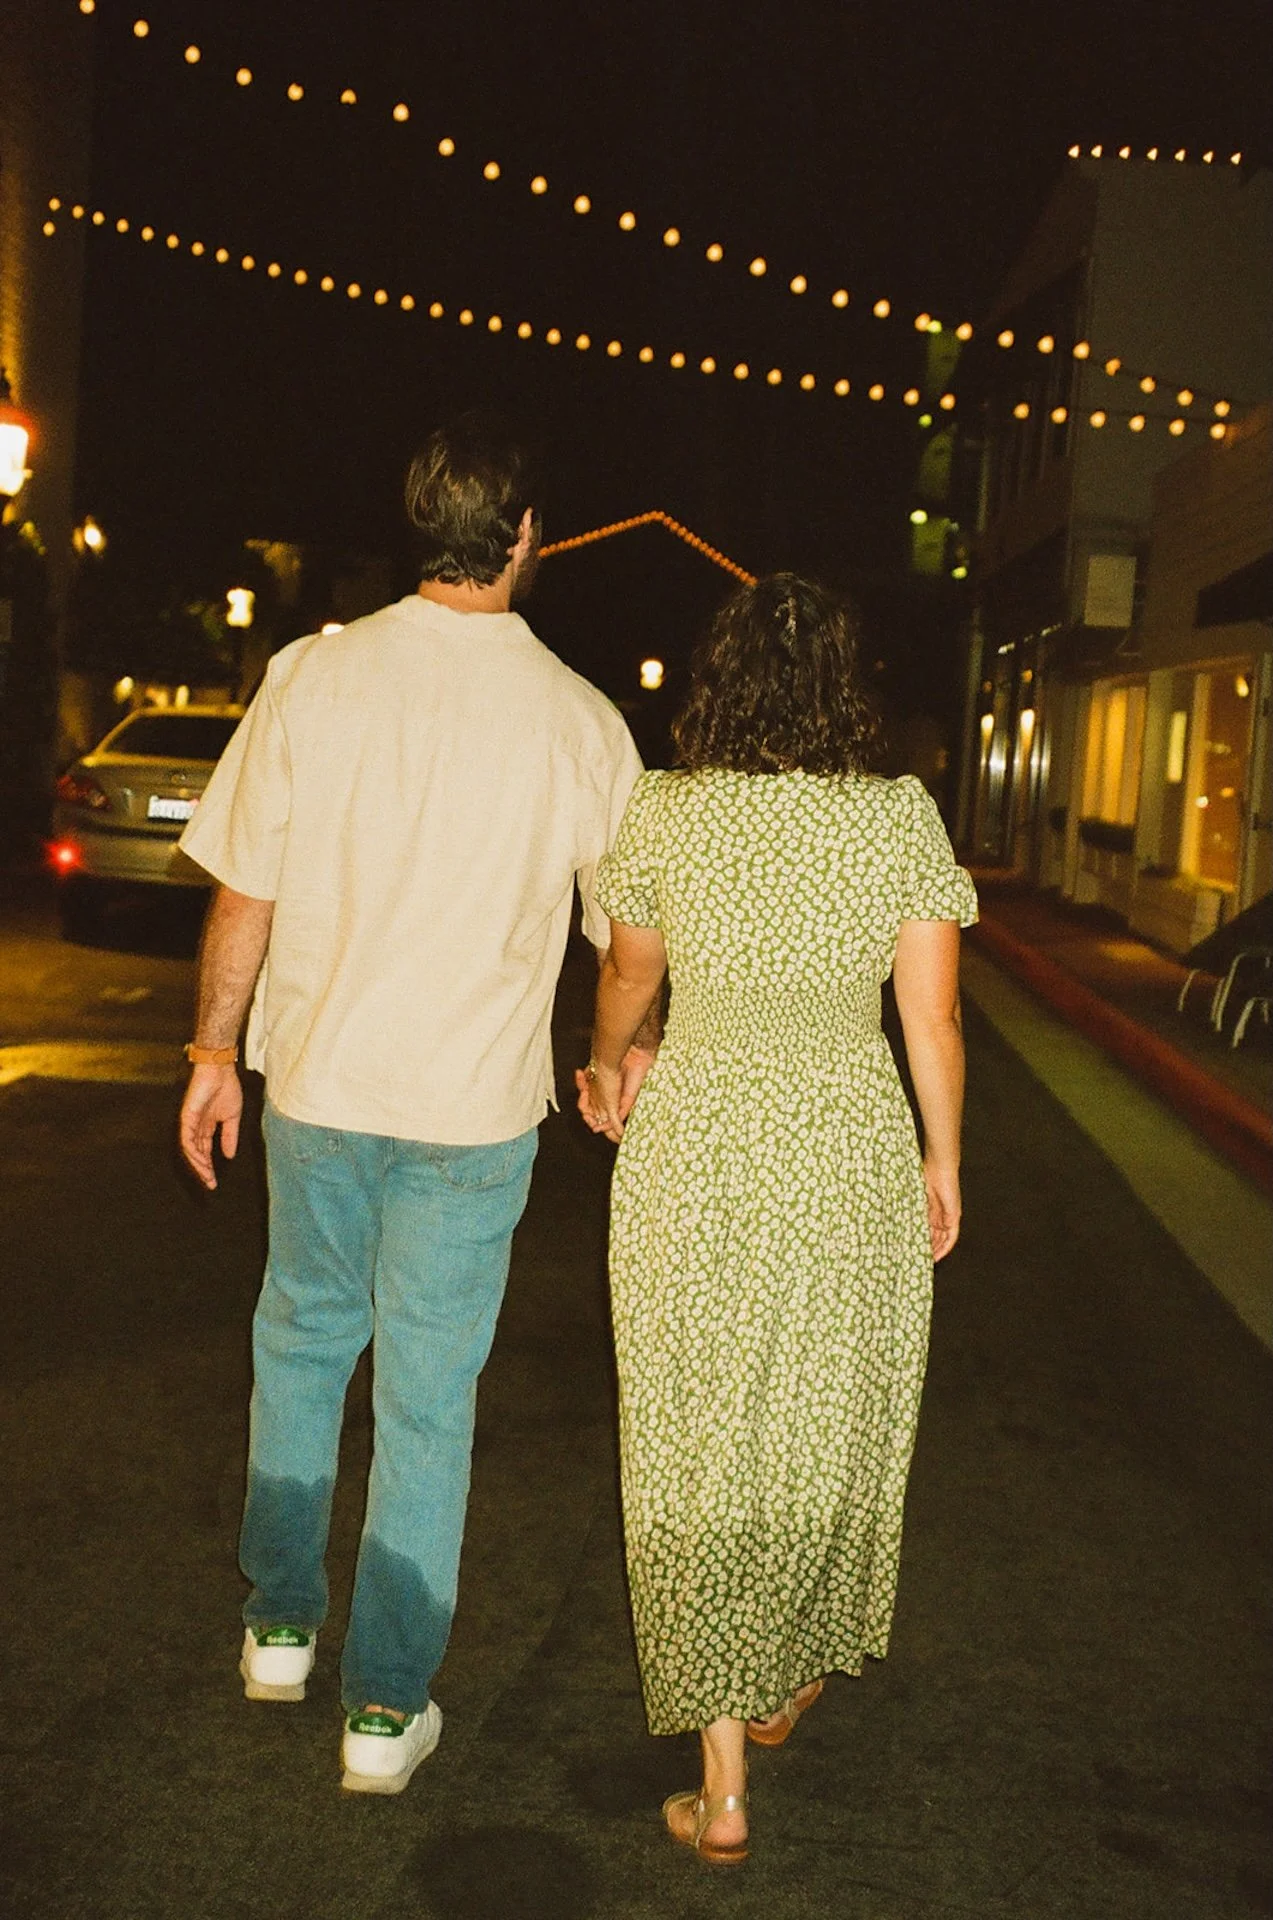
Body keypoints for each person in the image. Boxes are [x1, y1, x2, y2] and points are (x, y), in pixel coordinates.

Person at [177, 412, 650, 1796]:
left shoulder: (313, 678)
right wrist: (620, 1055)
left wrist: (213, 1054)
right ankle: (383, 1711)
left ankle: (278, 1629)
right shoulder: (580, 720)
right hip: (473, 1111)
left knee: (301, 1345)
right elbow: (629, 940)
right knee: (430, 1401)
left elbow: (245, 892)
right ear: (526, 535)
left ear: (419, 526)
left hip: (320, 1087)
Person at [578, 572, 977, 1864]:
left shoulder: (667, 809)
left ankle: (724, 1788)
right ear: (842, 688)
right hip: (845, 1148)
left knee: (694, 1432)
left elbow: (629, 971)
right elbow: (931, 1017)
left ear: (724, 681)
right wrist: (944, 1158)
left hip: (699, 1139)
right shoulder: (899, 818)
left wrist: (608, 1063)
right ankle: (790, 1664)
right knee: (824, 1417)